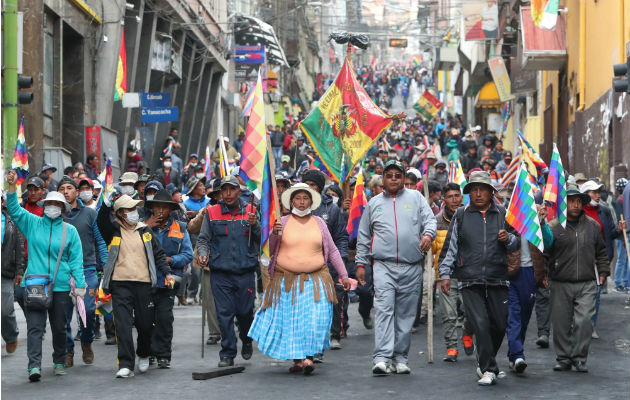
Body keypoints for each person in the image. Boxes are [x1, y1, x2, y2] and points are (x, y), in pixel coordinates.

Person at [249, 183, 350, 375]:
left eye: (305, 198)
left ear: (312, 201)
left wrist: (344, 275)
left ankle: (308, 358)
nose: (302, 202)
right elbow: (269, 249)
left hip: (317, 279)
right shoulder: (282, 222)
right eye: (298, 198)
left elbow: (333, 250)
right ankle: (298, 360)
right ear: (291, 201)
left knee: (315, 319)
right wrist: (274, 234)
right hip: (286, 281)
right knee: (293, 321)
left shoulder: (320, 222)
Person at [355, 160, 436, 375]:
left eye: (397, 175)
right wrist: (361, 263)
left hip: (412, 266)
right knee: (383, 310)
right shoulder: (373, 203)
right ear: (383, 179)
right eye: (388, 175)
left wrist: (428, 235)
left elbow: (430, 221)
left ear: (403, 178)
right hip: (383, 266)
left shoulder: (416, 198)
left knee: (406, 314)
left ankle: (400, 357)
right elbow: (363, 236)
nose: (393, 178)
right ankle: (381, 357)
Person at [438, 171, 519, 386]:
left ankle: (484, 359)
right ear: (469, 193)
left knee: (500, 324)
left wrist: (508, 238)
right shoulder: (462, 214)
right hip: (469, 279)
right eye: (474, 189)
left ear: (491, 192)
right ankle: (489, 369)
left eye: (482, 189)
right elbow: (450, 247)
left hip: (498, 277)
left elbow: (516, 242)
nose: (478, 193)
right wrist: (445, 274)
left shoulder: (502, 213)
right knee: (481, 324)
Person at [6, 170, 86, 382]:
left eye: (57, 205)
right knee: (35, 327)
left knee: (60, 327)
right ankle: (34, 366)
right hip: (34, 284)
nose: (52, 207)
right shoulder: (32, 223)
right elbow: (13, 209)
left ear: (62, 209)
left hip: (60, 287)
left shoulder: (70, 232)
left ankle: (59, 361)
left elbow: (76, 260)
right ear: (44, 206)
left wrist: (80, 285)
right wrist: (12, 187)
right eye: (49, 203)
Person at [97, 194, 175, 378]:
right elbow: (100, 221)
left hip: (144, 284)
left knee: (145, 325)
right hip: (120, 284)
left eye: (134, 209)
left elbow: (159, 255)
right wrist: (106, 204)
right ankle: (125, 364)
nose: (134, 212)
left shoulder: (145, 231)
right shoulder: (113, 230)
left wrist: (168, 272)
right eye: (129, 209)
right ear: (120, 213)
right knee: (123, 325)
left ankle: (143, 352)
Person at [545, 185, 610, 373]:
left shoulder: (593, 226)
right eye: (571, 200)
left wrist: (604, 271)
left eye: (578, 201)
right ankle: (563, 358)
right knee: (560, 323)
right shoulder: (553, 227)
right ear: (564, 203)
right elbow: (545, 253)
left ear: (582, 203)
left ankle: (580, 357)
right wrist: (543, 275)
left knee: (585, 321)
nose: (575, 204)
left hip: (587, 282)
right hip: (560, 281)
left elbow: (601, 251)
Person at [196, 176, 260, 367]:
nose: (228, 193)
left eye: (232, 189)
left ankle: (246, 338)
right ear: (220, 193)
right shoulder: (212, 212)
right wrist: (202, 254)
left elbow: (261, 239)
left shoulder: (251, 211)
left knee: (245, 312)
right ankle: (227, 353)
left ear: (239, 190)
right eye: (225, 190)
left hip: (245, 272)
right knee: (224, 313)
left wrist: (254, 225)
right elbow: (203, 239)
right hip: (220, 273)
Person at [57, 176, 108, 368]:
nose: (65, 191)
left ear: (77, 192)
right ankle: (68, 350)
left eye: (69, 188)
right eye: (62, 188)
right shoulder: (54, 215)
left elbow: (100, 241)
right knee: (63, 315)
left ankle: (87, 342)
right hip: (62, 272)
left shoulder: (89, 213)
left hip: (87, 270)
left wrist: (105, 266)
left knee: (86, 310)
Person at [143, 189, 193, 368]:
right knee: (145, 319)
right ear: (153, 209)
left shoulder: (180, 227)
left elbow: (188, 254)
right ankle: (147, 352)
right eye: (157, 207)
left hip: (169, 280)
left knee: (164, 318)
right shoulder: (142, 227)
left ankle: (163, 354)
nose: (161, 211)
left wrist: (172, 260)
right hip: (145, 280)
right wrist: (146, 226)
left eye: (165, 207)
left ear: (171, 209)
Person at [302, 169, 349, 350]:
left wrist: (342, 260)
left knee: (331, 302)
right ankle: (311, 345)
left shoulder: (332, 209)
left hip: (327, 265)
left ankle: (333, 334)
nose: (309, 188)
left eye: (313, 185)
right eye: (306, 184)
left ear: (320, 188)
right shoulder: (295, 207)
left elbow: (341, 238)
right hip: (303, 267)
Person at [432, 183, 472, 362]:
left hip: (468, 273)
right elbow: (431, 249)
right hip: (446, 274)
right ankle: (451, 348)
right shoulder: (436, 221)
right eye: (450, 196)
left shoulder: (470, 217)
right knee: (448, 315)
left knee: (471, 312)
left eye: (457, 196)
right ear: (444, 200)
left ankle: (468, 334)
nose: (454, 199)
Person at [506, 205, 547, 374]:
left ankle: (514, 355)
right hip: (510, 272)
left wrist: (542, 223)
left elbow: (549, 243)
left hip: (530, 273)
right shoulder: (507, 219)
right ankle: (517, 355)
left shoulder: (536, 222)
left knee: (524, 315)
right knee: (513, 314)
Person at [580, 180, 624, 337]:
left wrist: (618, 229)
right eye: (594, 192)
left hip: (599, 259)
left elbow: (610, 233)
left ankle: (591, 325)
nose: (597, 195)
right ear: (585, 194)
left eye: (599, 192)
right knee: (579, 294)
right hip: (580, 259)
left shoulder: (604, 211)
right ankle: (577, 323)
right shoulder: (577, 211)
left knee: (596, 294)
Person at [1, 193, 26, 354]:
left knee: (5, 309)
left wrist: (19, 270)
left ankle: (11, 335)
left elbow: (19, 245)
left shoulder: (10, 220)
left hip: (5, 270)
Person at [613, 178, 629, 292]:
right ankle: (618, 281)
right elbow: (620, 216)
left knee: (624, 259)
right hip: (621, 233)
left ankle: (623, 281)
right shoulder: (620, 200)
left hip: (623, 232)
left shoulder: (621, 199)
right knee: (622, 258)